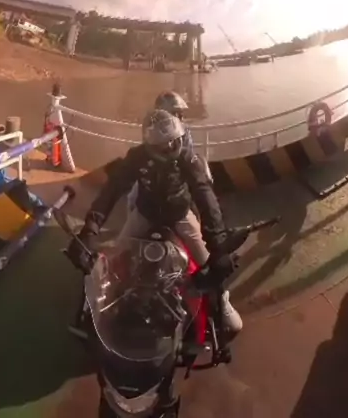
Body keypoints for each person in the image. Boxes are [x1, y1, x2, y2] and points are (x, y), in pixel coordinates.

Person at [67, 108, 242, 335]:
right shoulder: (137, 157)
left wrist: (218, 246)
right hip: (145, 214)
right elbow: (112, 189)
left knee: (209, 263)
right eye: (165, 145)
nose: (172, 147)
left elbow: (205, 196)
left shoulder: (188, 159)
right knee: (111, 263)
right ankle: (98, 305)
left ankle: (222, 299)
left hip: (180, 216)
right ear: (150, 145)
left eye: (175, 141)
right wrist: (90, 228)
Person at [127, 91, 212, 212]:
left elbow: (188, 153)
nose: (180, 118)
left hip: (177, 172)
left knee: (195, 199)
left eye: (181, 114)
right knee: (132, 199)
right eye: (175, 113)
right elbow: (147, 153)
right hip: (154, 172)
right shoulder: (151, 129)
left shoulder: (184, 130)